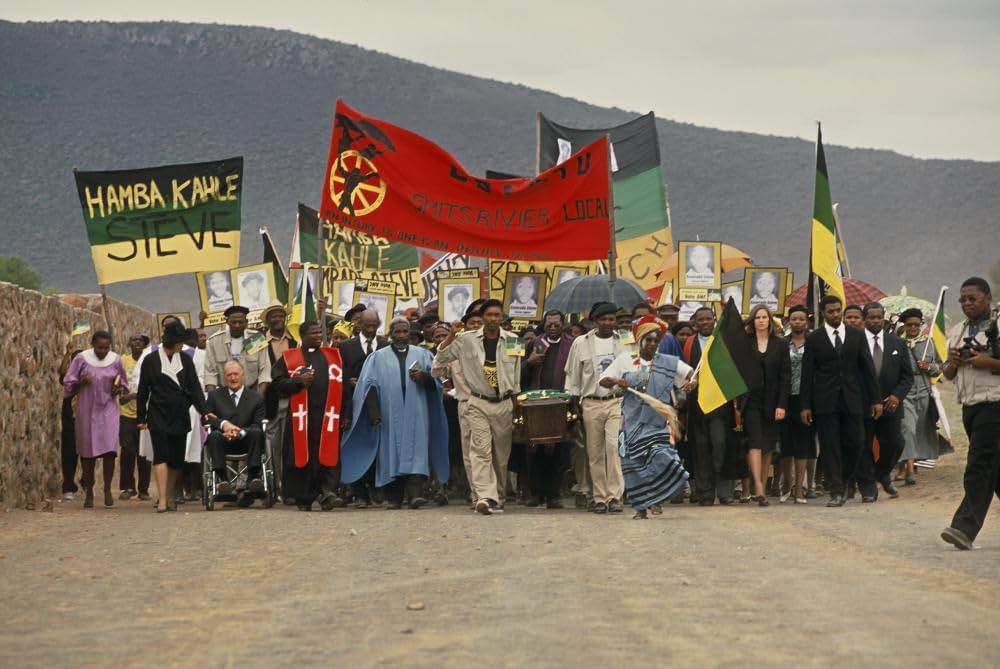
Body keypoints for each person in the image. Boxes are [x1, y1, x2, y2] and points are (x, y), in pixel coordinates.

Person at [341, 317, 449, 509]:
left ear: (410, 333)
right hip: (389, 414)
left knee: (417, 453)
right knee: (390, 454)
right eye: (397, 332)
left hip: (417, 413)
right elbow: (369, 387)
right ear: (390, 334)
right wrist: (374, 414)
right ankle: (394, 498)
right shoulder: (377, 357)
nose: (401, 335)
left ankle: (415, 496)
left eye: (405, 331)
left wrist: (423, 377)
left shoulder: (423, 355)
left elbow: (437, 385)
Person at [600, 316, 693, 519]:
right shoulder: (624, 360)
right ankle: (641, 508)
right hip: (631, 422)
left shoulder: (668, 363)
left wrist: (690, 384)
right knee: (634, 465)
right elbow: (604, 381)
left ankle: (658, 498)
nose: (652, 344)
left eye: (655, 340)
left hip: (657, 422)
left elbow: (690, 374)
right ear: (640, 340)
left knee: (660, 459)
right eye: (648, 340)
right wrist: (618, 380)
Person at [435, 299, 521, 515]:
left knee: (500, 457)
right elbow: (442, 357)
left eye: (497, 315)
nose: (493, 319)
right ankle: (484, 496)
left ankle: (498, 496)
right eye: (489, 315)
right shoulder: (465, 340)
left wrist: (516, 405)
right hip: (477, 402)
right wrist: (451, 335)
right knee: (480, 451)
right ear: (482, 318)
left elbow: (517, 376)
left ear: (501, 318)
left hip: (503, 403)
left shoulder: (514, 340)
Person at [800, 295, 882, 507]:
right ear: (822, 313)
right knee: (830, 447)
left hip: (852, 399)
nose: (835, 314)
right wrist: (805, 405)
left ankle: (846, 481)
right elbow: (807, 374)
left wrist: (875, 399)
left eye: (838, 310)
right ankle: (837, 491)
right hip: (825, 401)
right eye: (831, 311)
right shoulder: (814, 338)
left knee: (856, 442)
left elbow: (867, 369)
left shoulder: (856, 335)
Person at [940, 278, 1000, 550]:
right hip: (970, 407)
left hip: (995, 404)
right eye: (962, 299)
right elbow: (948, 374)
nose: (967, 304)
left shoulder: (998, 326)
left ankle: (964, 528)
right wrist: (952, 363)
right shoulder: (957, 331)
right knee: (995, 471)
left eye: (972, 298)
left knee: (978, 466)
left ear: (988, 298)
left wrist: (987, 362)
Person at [565, 302, 634, 514]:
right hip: (591, 403)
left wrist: (626, 382)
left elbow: (633, 371)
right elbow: (573, 376)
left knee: (613, 448)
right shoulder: (581, 343)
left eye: (611, 319)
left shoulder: (625, 341)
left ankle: (615, 496)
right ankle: (599, 498)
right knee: (594, 452)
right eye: (603, 319)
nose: (607, 323)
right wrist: (574, 406)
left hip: (616, 401)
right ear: (595, 321)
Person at [137, 322, 212, 513]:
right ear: (172, 341)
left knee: (177, 459)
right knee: (161, 456)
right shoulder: (151, 360)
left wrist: (204, 411)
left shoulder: (185, 361)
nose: (182, 345)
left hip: (180, 414)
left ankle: (170, 495)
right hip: (158, 414)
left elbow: (195, 388)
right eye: (180, 341)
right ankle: (162, 499)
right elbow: (143, 390)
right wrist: (141, 417)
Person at [271, 321, 345, 511]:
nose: (319, 336)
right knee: (302, 456)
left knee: (327, 454)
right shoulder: (289, 358)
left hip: (326, 417)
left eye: (320, 332)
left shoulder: (332, 356)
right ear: (302, 336)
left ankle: (328, 492)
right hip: (301, 419)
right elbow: (277, 385)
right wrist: (297, 382)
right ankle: (304, 497)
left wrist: (345, 413)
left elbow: (343, 387)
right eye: (314, 333)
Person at [683, 307, 743, 505]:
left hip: (720, 405)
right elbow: (684, 370)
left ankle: (724, 491)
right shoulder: (689, 343)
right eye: (701, 320)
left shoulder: (722, 342)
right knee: (701, 449)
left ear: (714, 321)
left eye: (709, 319)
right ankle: (705, 492)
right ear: (695, 323)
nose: (706, 322)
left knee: (721, 445)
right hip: (697, 406)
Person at [62, 331, 128, 508]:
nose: (103, 351)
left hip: (108, 410)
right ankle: (89, 490)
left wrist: (118, 389)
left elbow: (123, 383)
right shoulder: (81, 359)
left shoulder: (115, 360)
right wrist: (81, 382)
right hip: (87, 410)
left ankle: (107, 489)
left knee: (110, 451)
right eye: (100, 347)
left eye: (106, 347)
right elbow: (68, 383)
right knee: (87, 453)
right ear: (92, 344)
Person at [856, 302, 913, 502]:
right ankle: (868, 488)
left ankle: (881, 473)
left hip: (891, 406)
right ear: (864, 319)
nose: (875, 321)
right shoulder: (855, 342)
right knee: (863, 446)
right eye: (871, 317)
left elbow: (907, 377)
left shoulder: (897, 344)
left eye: (878, 317)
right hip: (864, 406)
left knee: (896, 443)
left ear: (884, 318)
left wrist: (897, 396)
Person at [432, 301, 485, 505]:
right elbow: (436, 370)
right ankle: (478, 495)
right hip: (466, 404)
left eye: (479, 322)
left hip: (493, 404)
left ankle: (494, 492)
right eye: (471, 322)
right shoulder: (456, 346)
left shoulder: (498, 343)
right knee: (472, 453)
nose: (475, 326)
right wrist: (450, 336)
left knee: (493, 452)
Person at [521, 310, 576, 509]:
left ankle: (553, 494)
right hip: (535, 403)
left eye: (557, 324)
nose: (553, 327)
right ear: (543, 325)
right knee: (534, 449)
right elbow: (518, 371)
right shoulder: (533, 344)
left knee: (558, 450)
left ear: (563, 325)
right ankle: (536, 493)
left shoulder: (572, 344)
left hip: (561, 402)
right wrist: (530, 362)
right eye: (549, 324)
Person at [337, 309, 390, 507]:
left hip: (380, 406)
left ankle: (377, 489)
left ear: (378, 324)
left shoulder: (386, 345)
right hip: (353, 406)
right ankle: (359, 492)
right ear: (358, 324)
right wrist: (350, 383)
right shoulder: (345, 347)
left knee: (378, 447)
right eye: (366, 325)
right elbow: (339, 377)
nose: (370, 329)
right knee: (355, 446)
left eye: (373, 325)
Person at [742, 304, 790, 507]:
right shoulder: (746, 343)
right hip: (751, 399)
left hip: (772, 401)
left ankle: (759, 483)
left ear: (770, 321)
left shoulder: (779, 344)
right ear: (753, 321)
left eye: (765, 317)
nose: (761, 320)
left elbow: (785, 377)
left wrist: (782, 404)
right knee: (754, 442)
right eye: (757, 317)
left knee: (768, 446)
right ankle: (759, 488)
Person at [203, 360, 266, 507]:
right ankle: (223, 481)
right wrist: (223, 425)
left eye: (236, 374)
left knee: (257, 431)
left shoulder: (256, 398)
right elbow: (205, 419)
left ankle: (253, 479)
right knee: (213, 435)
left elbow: (258, 422)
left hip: (248, 441)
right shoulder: (214, 396)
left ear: (242, 375)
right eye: (229, 375)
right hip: (223, 441)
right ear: (225, 377)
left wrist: (240, 432)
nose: (233, 378)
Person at [898, 308, 943, 484]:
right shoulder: (897, 343)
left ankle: (907, 464)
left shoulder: (929, 343)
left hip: (924, 388)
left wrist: (929, 367)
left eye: (917, 324)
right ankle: (910, 471)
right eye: (910, 325)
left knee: (919, 428)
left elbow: (941, 366)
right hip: (905, 389)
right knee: (907, 427)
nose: (913, 328)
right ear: (905, 325)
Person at [780, 306, 815, 503]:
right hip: (785, 399)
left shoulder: (814, 343)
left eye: (802, 319)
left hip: (806, 400)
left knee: (803, 443)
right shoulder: (781, 343)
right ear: (789, 321)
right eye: (794, 319)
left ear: (807, 322)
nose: (798, 322)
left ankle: (800, 488)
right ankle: (787, 484)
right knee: (786, 444)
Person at [204, 305, 271, 394]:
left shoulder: (256, 338)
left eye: (240, 322)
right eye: (233, 322)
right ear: (227, 322)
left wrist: (258, 397)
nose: (237, 325)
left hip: (251, 392)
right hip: (225, 394)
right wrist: (213, 399)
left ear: (246, 322)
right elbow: (210, 373)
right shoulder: (214, 341)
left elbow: (264, 370)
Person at [118, 333, 151, 501]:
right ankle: (127, 487)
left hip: (145, 414)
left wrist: (131, 396)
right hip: (126, 413)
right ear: (129, 343)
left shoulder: (149, 361)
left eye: (140, 340)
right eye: (134, 340)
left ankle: (144, 489)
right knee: (127, 450)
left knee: (144, 453)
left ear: (145, 345)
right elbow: (117, 381)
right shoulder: (123, 361)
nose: (137, 342)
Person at [58, 344, 82, 501]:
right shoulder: (70, 378)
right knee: (69, 451)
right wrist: (67, 353)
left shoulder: (92, 376)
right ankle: (68, 485)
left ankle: (87, 481)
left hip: (88, 417)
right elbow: (62, 374)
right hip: (70, 417)